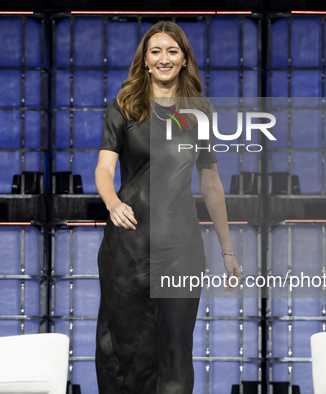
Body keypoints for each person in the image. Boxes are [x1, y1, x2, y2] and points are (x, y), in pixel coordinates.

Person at [94, 20, 241, 394]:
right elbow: (103, 168)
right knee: (126, 351)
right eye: (155, 51)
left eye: (172, 51)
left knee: (176, 350)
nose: (163, 58)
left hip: (181, 248)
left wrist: (227, 251)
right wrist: (112, 202)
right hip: (129, 246)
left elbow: (210, 183)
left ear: (183, 59)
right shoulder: (123, 107)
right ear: (145, 60)